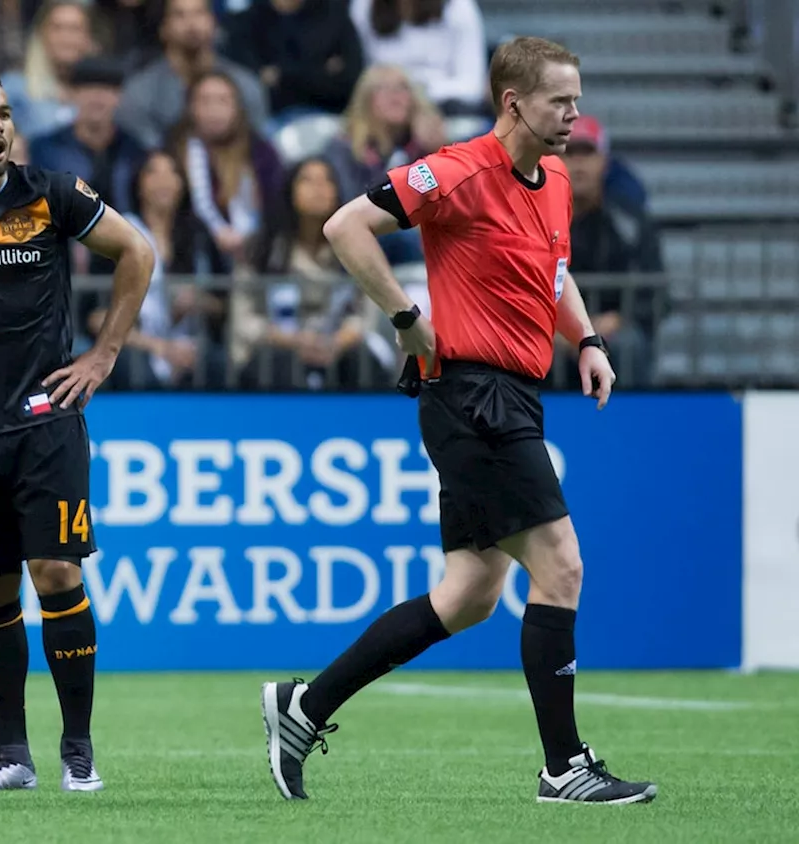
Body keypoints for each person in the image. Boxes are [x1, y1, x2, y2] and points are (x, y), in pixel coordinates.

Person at [260, 36, 658, 806]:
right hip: (472, 395)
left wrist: (589, 340)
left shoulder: (555, 184)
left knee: (470, 594)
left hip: (513, 393)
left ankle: (304, 709)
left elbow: (556, 273)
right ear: (513, 102)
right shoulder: (457, 168)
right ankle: (563, 766)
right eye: (561, 100)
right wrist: (407, 316)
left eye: (577, 99)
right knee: (563, 566)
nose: (576, 113)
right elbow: (344, 226)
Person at [0, 68, 154, 793]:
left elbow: (136, 251)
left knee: (57, 573)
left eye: (5, 113)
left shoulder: (51, 192)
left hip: (46, 421)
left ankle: (77, 750)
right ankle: (10, 755)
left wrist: (104, 352)